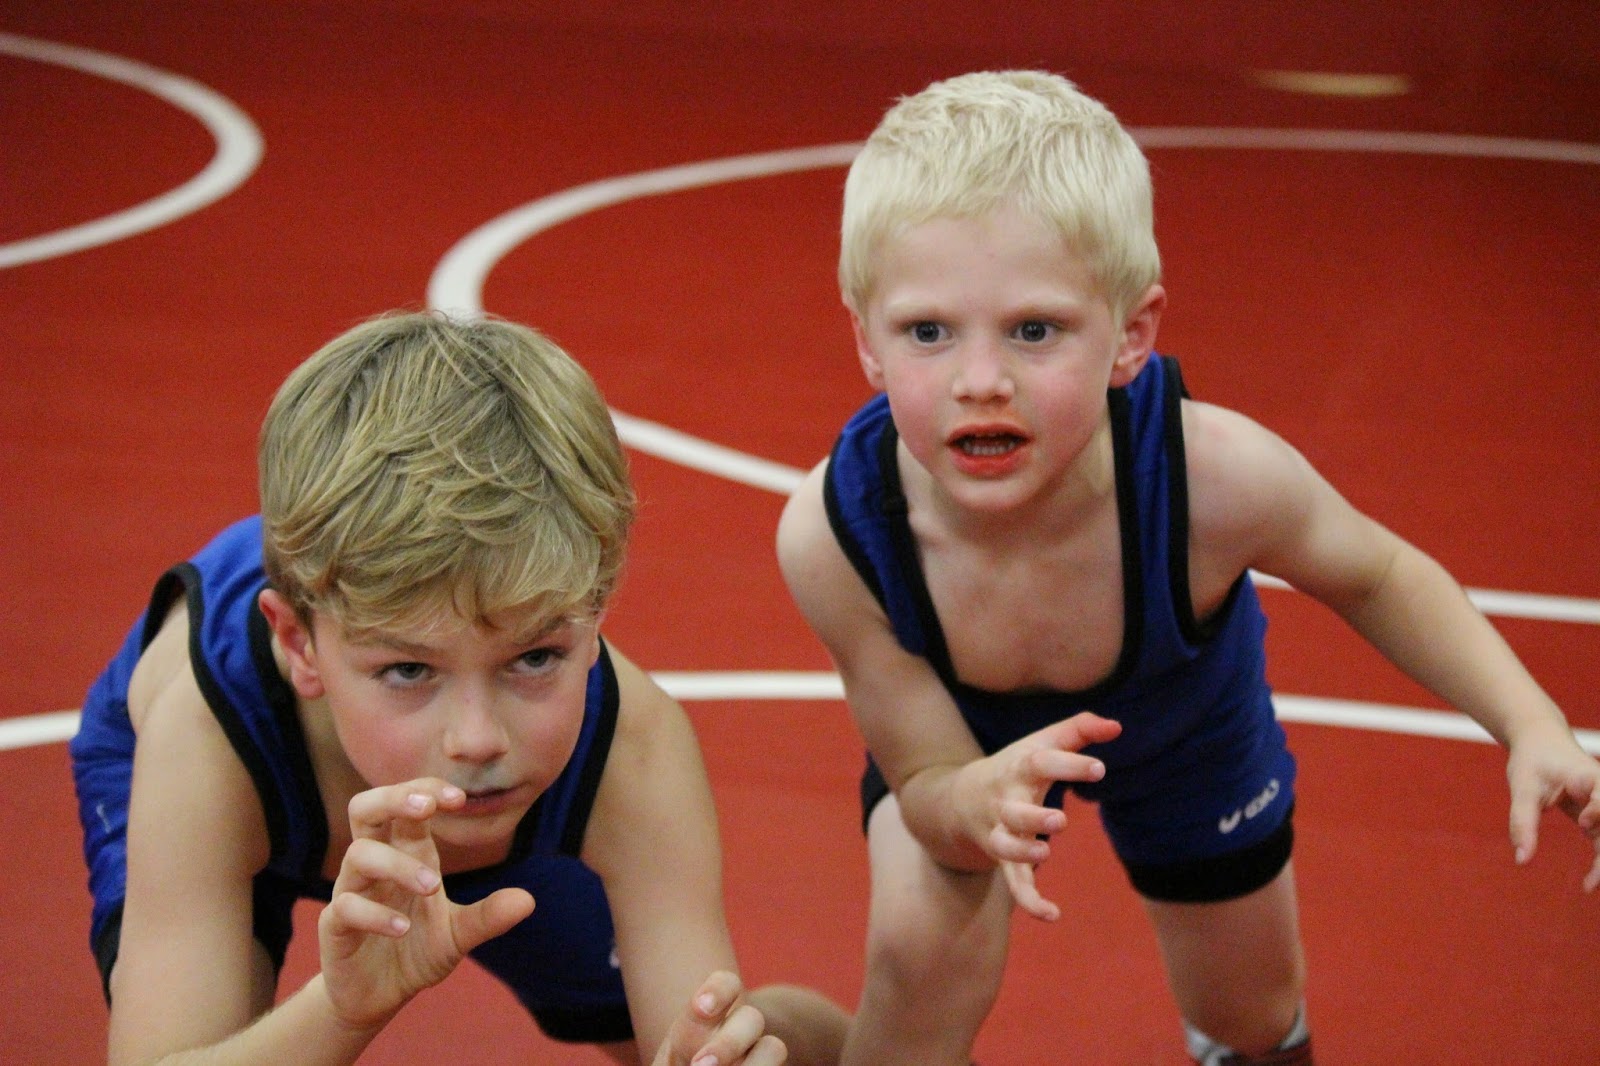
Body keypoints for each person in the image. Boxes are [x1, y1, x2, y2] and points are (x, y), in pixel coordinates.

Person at [775, 70, 1600, 1065]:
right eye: (927, 332)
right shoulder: (835, 535)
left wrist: (1528, 720)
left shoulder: (1212, 477)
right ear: (865, 340)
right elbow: (923, 772)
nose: (980, 380)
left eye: (1035, 331)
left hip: (1187, 732)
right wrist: (968, 803)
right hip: (959, 751)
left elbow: (1378, 575)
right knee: (920, 959)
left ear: (1131, 335)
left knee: (1250, 1012)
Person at [72, 310, 849, 1066]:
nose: (477, 739)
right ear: (299, 646)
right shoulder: (208, 735)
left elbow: (689, 1047)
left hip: (517, 806)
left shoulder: (631, 749)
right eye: (409, 671)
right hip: (255, 784)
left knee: (685, 1040)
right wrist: (339, 1012)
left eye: (535, 658)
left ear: (595, 617)